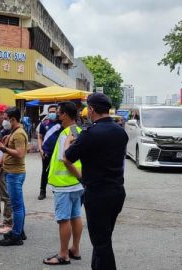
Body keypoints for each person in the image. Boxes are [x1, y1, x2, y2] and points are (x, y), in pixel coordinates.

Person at [64, 93, 128, 270]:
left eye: (88, 109)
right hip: (117, 192)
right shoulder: (120, 131)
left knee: (101, 243)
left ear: (91, 109)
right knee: (104, 238)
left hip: (98, 194)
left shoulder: (89, 134)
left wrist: (69, 142)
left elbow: (67, 158)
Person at [43, 101, 84, 266]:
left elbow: (65, 159)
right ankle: (75, 249)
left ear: (65, 115)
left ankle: (63, 254)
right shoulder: (79, 131)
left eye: (59, 113)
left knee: (63, 219)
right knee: (76, 216)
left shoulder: (66, 134)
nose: (57, 116)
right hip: (77, 184)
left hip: (64, 184)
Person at [0, 107, 29, 246]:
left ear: (13, 119)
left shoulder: (19, 133)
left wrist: (3, 148)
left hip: (15, 174)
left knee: (16, 206)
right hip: (12, 172)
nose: (4, 121)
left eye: (6, 118)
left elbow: (20, 154)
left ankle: (17, 235)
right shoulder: (14, 132)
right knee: (19, 205)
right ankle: (20, 231)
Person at [38, 105, 62, 200]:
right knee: (45, 171)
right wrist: (40, 149)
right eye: (50, 112)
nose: (52, 113)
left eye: (54, 111)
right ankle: (42, 191)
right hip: (46, 151)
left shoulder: (61, 123)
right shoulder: (44, 123)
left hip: (58, 152)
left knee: (57, 171)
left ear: (57, 112)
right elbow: (40, 137)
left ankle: (57, 190)